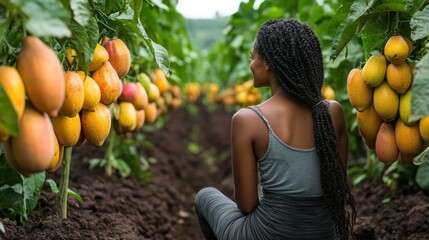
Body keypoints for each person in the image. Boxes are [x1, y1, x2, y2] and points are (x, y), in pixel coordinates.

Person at [194, 19, 356, 240]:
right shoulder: (332, 112)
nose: (251, 65)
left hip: (267, 234)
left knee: (205, 197)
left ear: (268, 62)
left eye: (253, 58)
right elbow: (337, 189)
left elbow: (247, 205)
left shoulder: (247, 120)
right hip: (325, 233)